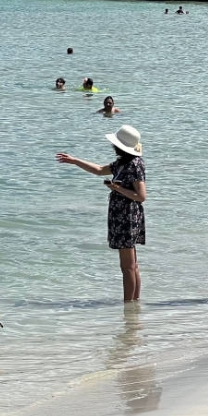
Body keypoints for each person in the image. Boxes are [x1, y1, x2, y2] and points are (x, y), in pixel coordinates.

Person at [57, 124, 147, 302]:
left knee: (128, 267)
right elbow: (98, 170)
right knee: (132, 266)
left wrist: (117, 188)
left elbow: (141, 196)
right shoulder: (122, 163)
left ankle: (128, 307)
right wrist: (75, 160)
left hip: (127, 217)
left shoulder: (134, 165)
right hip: (122, 217)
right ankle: (133, 306)